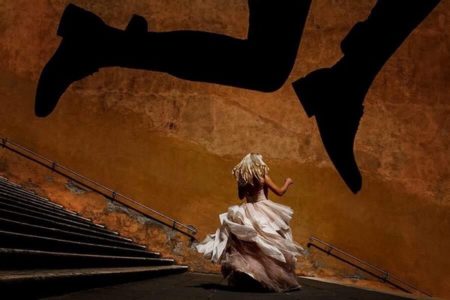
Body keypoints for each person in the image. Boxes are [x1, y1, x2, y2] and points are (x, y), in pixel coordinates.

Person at [196, 153, 303, 292]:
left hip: (248, 209)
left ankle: (253, 276)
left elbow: (241, 196)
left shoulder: (243, 180)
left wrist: (242, 184)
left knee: (249, 245)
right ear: (258, 164)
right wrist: (287, 182)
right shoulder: (263, 177)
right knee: (268, 241)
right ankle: (272, 278)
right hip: (263, 208)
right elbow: (279, 192)